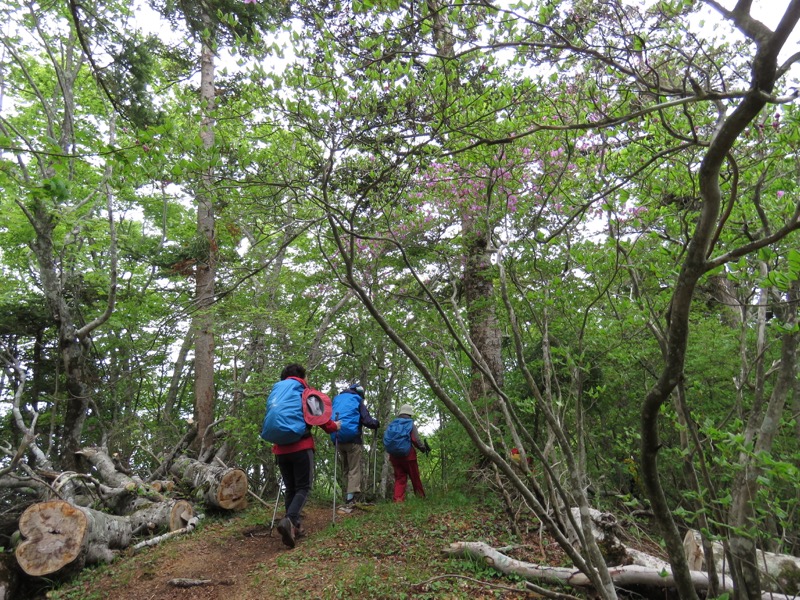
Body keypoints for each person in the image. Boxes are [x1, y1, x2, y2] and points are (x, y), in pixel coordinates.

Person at [263, 363, 340, 548]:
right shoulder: (305, 392)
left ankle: (294, 527)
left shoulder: (277, 391)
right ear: (301, 377)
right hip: (301, 446)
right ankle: (289, 519)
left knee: (291, 488)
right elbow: (319, 418)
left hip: (281, 449)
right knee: (303, 487)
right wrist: (334, 427)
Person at [330, 383, 380, 509]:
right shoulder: (357, 401)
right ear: (359, 393)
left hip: (337, 439)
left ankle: (346, 496)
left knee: (346, 469)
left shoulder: (337, 400)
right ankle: (350, 499)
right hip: (353, 440)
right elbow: (367, 420)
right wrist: (376, 424)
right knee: (354, 469)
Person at [385, 403, 429, 502]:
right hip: (408, 456)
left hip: (394, 457)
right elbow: (415, 440)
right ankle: (420, 498)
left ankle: (398, 500)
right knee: (415, 477)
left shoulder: (392, 424)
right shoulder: (410, 424)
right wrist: (422, 448)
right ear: (409, 414)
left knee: (400, 478)